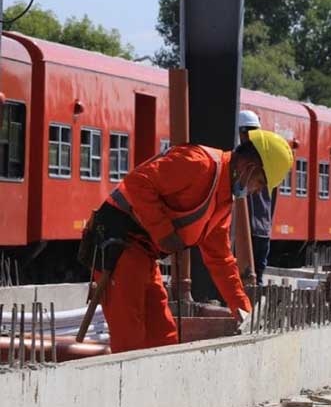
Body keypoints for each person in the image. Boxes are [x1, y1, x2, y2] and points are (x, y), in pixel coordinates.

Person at [90, 130, 293, 352]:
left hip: (143, 254)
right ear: (249, 167)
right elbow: (137, 184)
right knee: (130, 340)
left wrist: (242, 309)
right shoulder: (198, 164)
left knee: (163, 338)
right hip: (118, 246)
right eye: (260, 183)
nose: (257, 191)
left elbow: (220, 258)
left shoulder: (223, 199)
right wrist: (164, 232)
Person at [238, 111, 276, 285]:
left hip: (252, 230)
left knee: (246, 275)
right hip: (262, 229)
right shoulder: (268, 161)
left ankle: (245, 308)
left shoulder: (243, 160)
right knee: (255, 276)